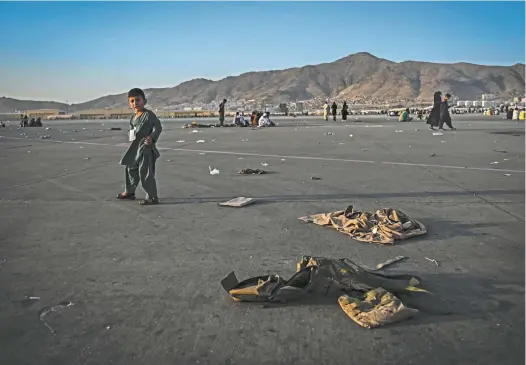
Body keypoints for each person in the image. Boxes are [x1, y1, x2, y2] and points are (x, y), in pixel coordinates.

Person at [117, 88, 163, 205]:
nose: (135, 103)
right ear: (129, 103)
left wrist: (152, 138)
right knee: (130, 168)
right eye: (132, 101)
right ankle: (129, 192)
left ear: (144, 101)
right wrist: (131, 136)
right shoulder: (133, 118)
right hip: (135, 148)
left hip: (146, 148)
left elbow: (158, 127)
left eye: (138, 100)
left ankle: (152, 197)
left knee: (146, 172)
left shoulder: (149, 115)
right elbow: (133, 131)